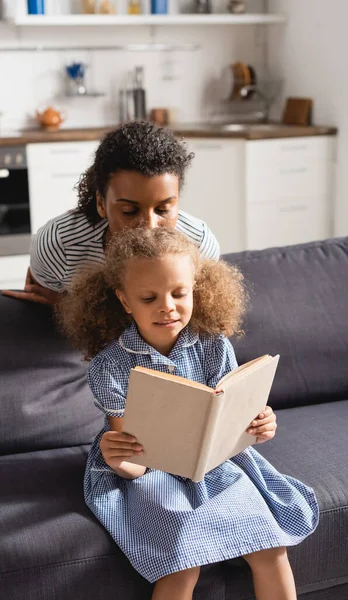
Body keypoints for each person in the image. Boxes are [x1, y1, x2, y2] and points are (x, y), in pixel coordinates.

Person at [57, 227, 318, 600]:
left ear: (196, 288)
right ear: (125, 300)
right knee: (182, 564)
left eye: (180, 293)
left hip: (213, 463)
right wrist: (122, 462)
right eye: (149, 298)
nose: (167, 306)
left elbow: (231, 421)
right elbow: (134, 460)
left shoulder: (213, 346)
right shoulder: (110, 367)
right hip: (148, 473)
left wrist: (259, 426)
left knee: (271, 549)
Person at [2, 120, 220, 305]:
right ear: (101, 204)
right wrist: (62, 306)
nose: (149, 226)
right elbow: (44, 304)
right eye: (129, 211)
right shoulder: (59, 246)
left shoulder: (198, 244)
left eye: (163, 209)